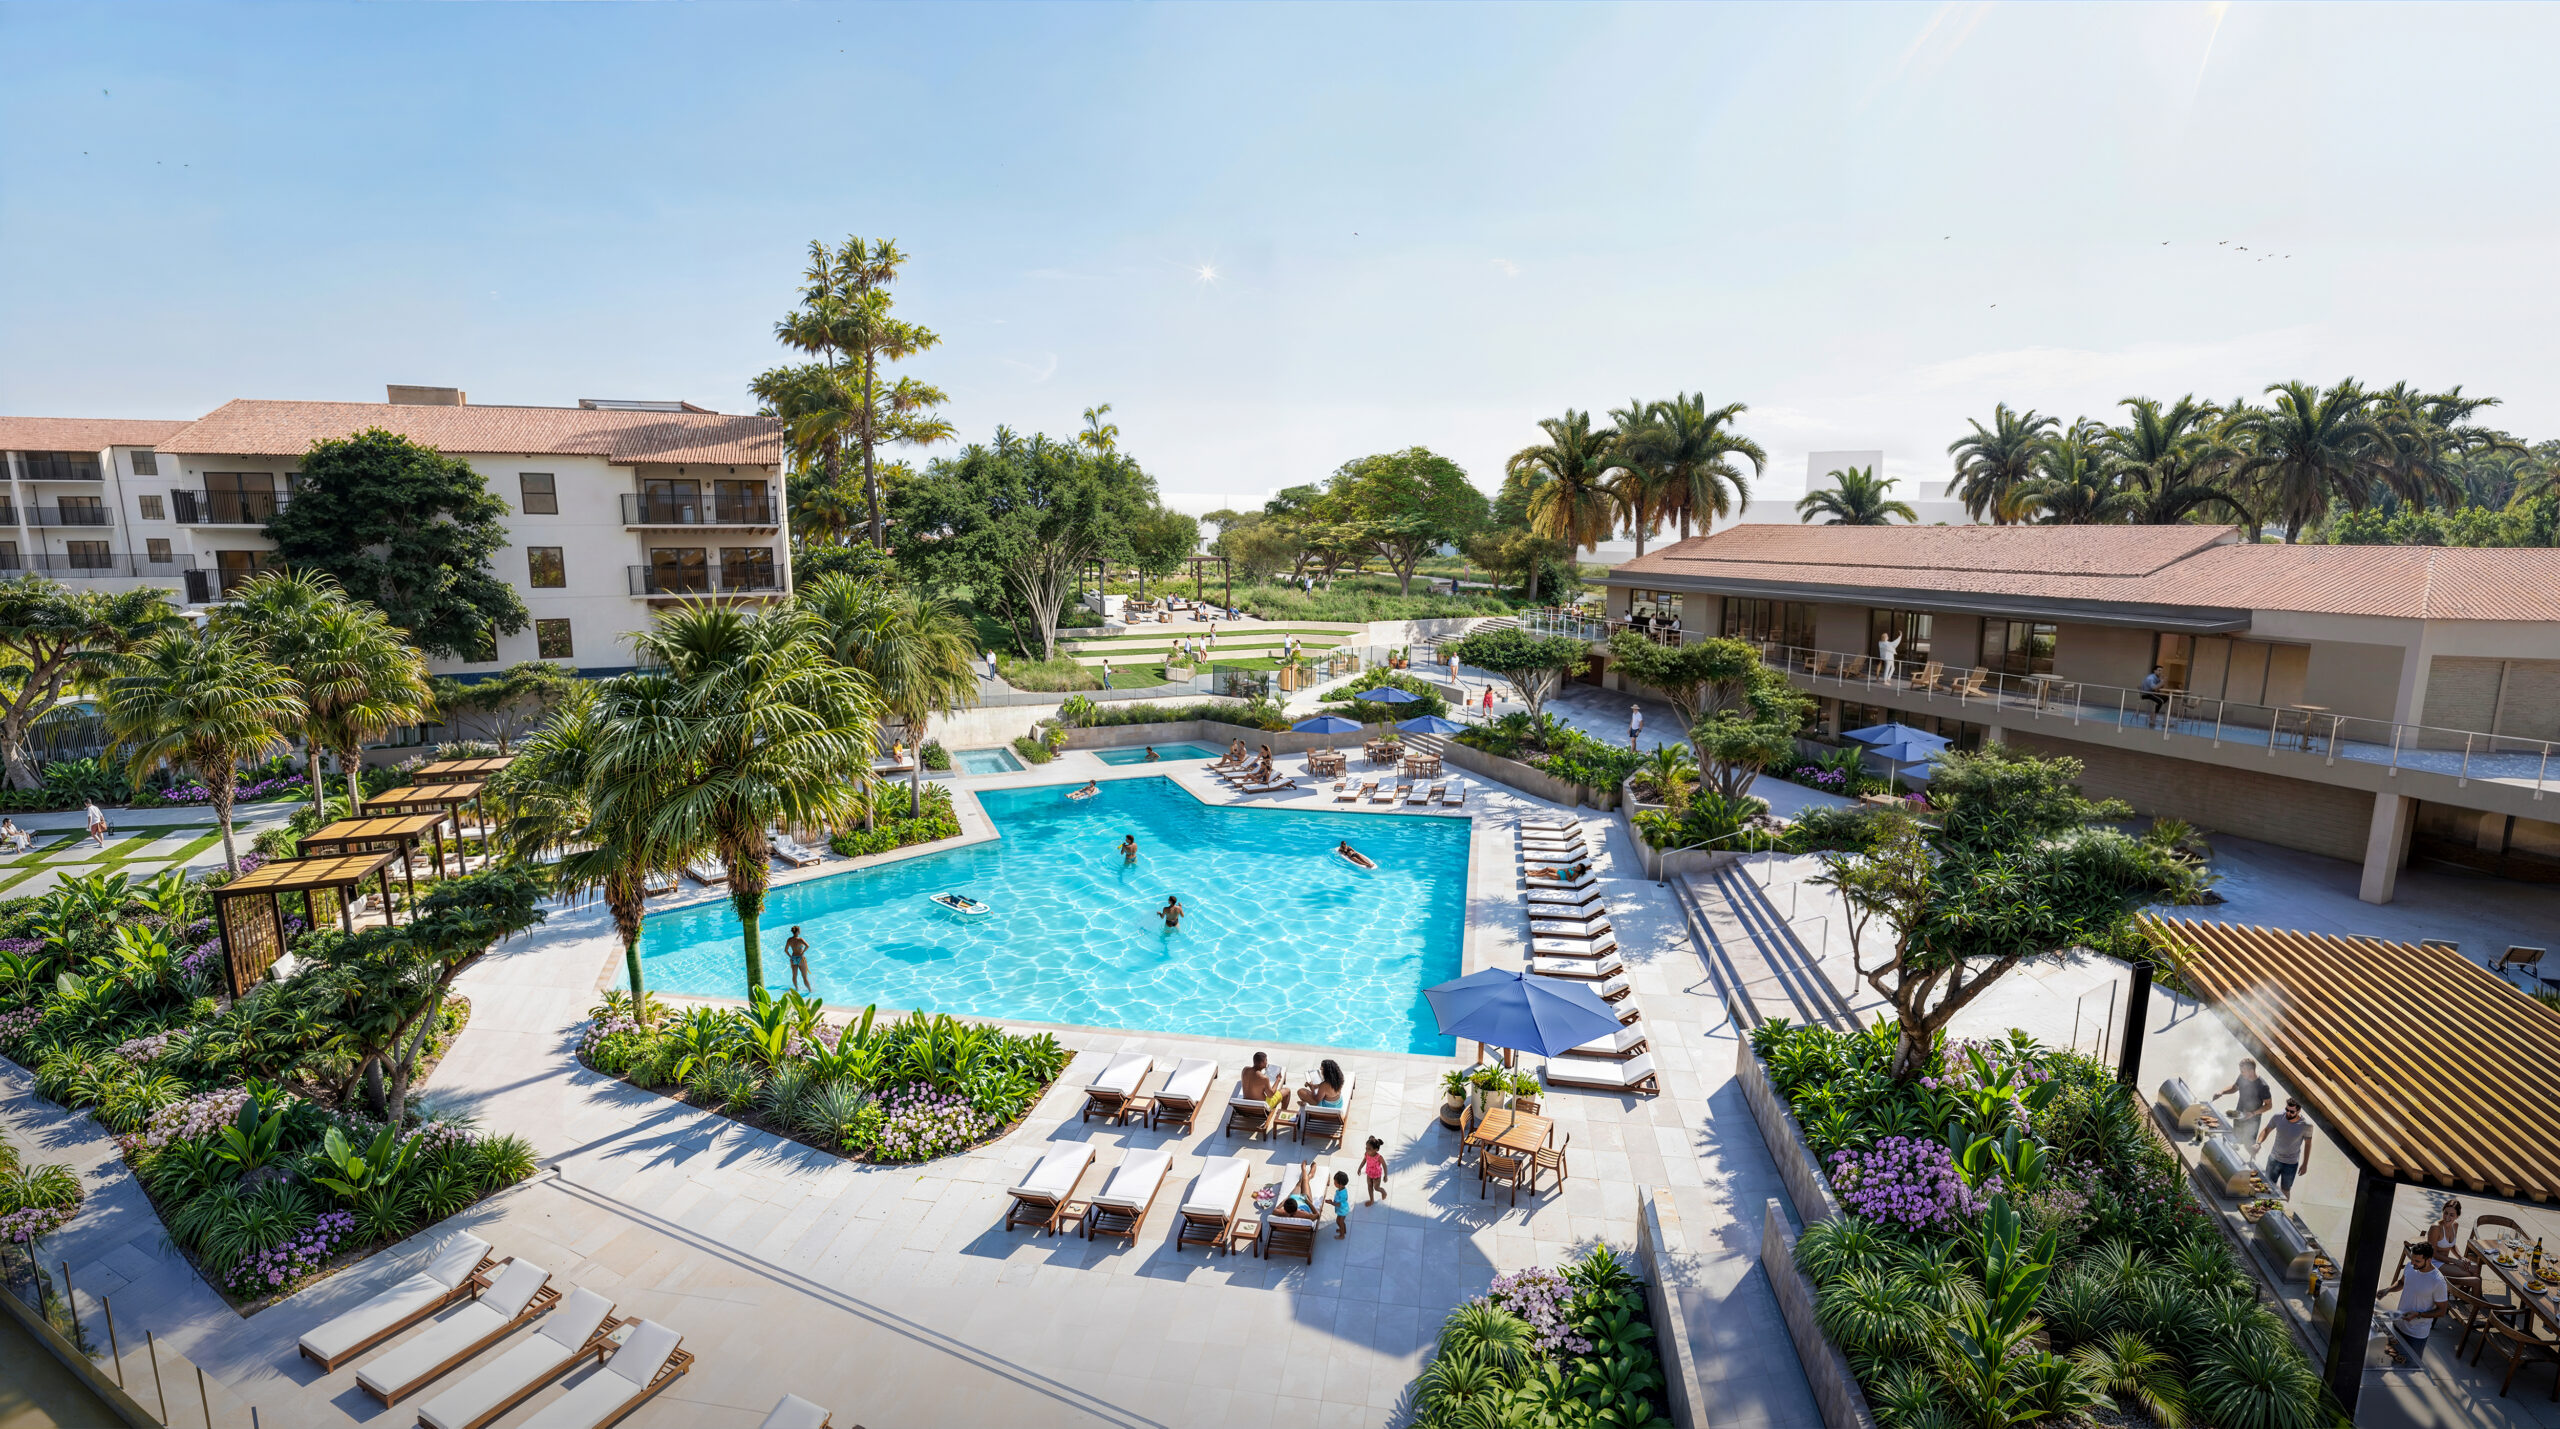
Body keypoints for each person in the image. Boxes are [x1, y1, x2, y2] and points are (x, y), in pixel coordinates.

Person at [2381, 1242, 2451, 1363]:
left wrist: (2418, 1314)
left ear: (2429, 1260)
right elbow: (2402, 1283)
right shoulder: (2410, 1267)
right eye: (2412, 1259)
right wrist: (2388, 1290)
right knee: (2391, 1362)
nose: (2413, 1263)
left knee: (2410, 1366)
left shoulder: (2437, 1281)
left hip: (2416, 1334)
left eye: (2417, 1261)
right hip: (2398, 1325)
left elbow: (2442, 1311)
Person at [2256, 1099, 2315, 1196]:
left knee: (2285, 1190)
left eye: (2292, 1111)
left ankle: (2282, 1210)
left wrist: (2305, 1164)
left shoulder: (2306, 1125)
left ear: (2299, 1111)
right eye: (2287, 1109)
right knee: (2267, 1186)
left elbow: (2308, 1144)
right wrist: (2258, 1143)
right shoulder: (2278, 1116)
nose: (2288, 1113)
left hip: (2290, 1164)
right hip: (2274, 1159)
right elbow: (2266, 1130)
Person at [2216, 1057, 2273, 1150]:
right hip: (2239, 1114)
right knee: (2236, 1138)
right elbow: (2234, 1087)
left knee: (2248, 1144)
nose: (2241, 1073)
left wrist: (2253, 1113)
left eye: (2243, 1071)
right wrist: (2222, 1092)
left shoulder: (2262, 1086)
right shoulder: (2242, 1077)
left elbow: (2269, 1105)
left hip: (2252, 1120)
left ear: (2251, 1071)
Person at [784, 926, 813, 993]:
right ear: (797, 932)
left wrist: (790, 956)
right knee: (804, 977)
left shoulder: (789, 940)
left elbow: (786, 950)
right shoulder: (800, 940)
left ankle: (797, 989)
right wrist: (802, 952)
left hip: (793, 958)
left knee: (794, 976)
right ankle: (810, 991)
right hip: (800, 958)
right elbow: (807, 946)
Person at [1362, 1136, 1389, 1205]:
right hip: (1369, 1173)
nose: (1367, 1150)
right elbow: (1364, 1160)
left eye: (1369, 1149)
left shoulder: (1379, 1157)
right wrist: (1360, 1168)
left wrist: (1385, 1175)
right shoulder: (1366, 1154)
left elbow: (1384, 1165)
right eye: (1366, 1148)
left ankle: (1383, 1192)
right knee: (1369, 1186)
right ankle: (1372, 1200)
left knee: (1376, 1188)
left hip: (1377, 1175)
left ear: (1376, 1149)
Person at [1330, 1169, 1354, 1238]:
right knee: (1339, 1221)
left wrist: (1331, 1202)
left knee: (1340, 1222)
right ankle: (1343, 1230)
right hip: (1341, 1209)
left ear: (1340, 1184)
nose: (1334, 1183)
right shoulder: (1341, 1189)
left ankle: (1342, 1235)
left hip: (1343, 1210)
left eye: (1335, 1182)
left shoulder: (1342, 1194)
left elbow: (1338, 1204)